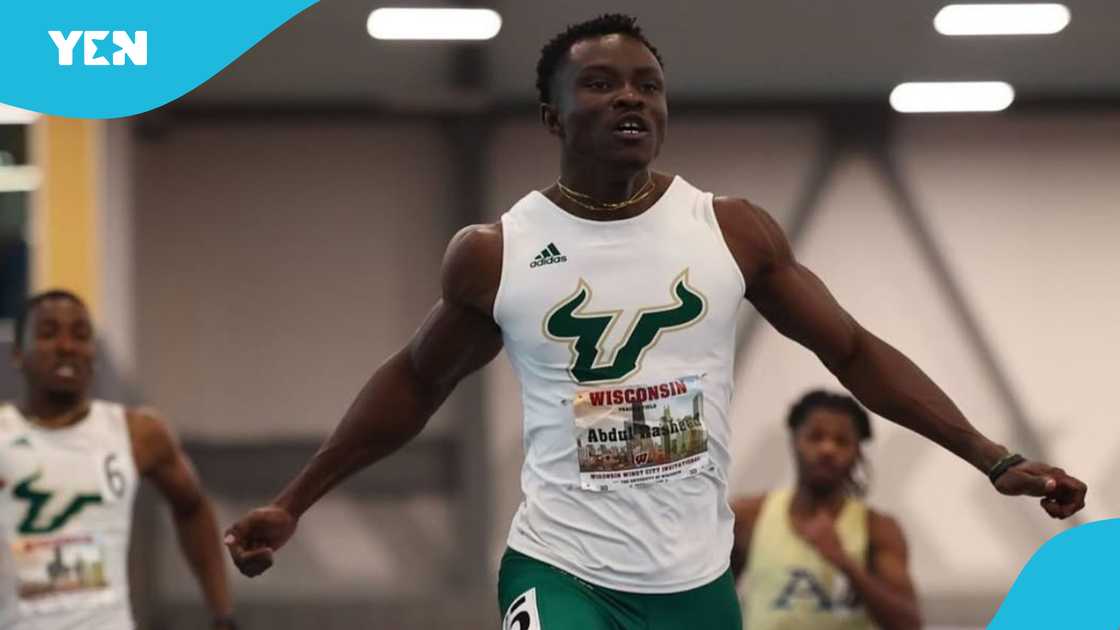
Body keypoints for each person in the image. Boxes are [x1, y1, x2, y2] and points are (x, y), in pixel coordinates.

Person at [224, 13, 1087, 630]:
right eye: (600, 85)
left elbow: (854, 352)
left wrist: (993, 458)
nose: (629, 98)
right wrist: (294, 502)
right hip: (560, 569)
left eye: (648, 85)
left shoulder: (731, 232)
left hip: (696, 584)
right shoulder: (498, 253)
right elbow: (416, 384)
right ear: (554, 115)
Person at [0, 290, 235, 629]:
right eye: (49, 333)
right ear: (18, 353)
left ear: (94, 352)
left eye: (81, 335)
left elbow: (192, 507)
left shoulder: (138, 433)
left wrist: (222, 614)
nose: (66, 346)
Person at [732, 390, 920, 630]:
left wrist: (845, 562)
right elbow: (708, 604)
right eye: (815, 437)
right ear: (794, 440)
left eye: (842, 441)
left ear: (858, 451)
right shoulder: (749, 516)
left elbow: (909, 624)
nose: (827, 449)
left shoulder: (877, 529)